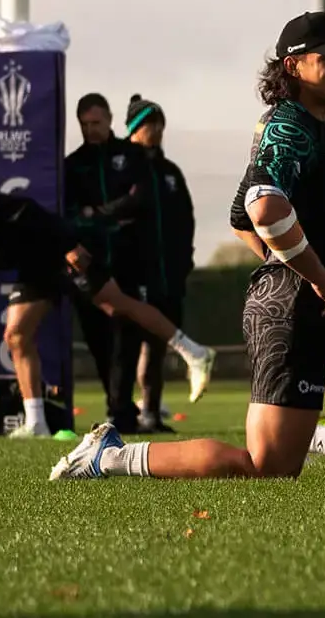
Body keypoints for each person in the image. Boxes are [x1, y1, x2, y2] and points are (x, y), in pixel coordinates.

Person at [49, 12, 325, 481]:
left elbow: (240, 214)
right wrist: (316, 274)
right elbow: (262, 208)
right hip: (292, 311)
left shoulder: (306, 127)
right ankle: (109, 456)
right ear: (293, 66)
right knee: (265, 468)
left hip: (318, 300)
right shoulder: (287, 129)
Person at [0, 184, 215, 440]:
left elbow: (30, 211)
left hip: (58, 251)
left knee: (118, 306)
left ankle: (195, 352)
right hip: (34, 270)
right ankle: (36, 422)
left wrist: (69, 244)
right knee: (16, 335)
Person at [65, 91, 153, 431]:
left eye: (96, 123)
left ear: (110, 120)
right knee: (98, 339)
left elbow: (139, 200)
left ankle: (121, 408)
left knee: (126, 336)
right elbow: (71, 213)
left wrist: (98, 213)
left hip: (128, 260)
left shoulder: (132, 156)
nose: (91, 130)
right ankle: (117, 405)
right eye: (85, 125)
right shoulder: (73, 164)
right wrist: (106, 216)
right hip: (89, 266)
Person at [115, 96, 196, 433]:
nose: (158, 131)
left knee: (158, 346)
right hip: (132, 278)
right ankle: (120, 412)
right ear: (135, 130)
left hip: (169, 278)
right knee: (128, 347)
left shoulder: (169, 172)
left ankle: (151, 411)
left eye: (161, 125)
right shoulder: (120, 168)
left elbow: (185, 218)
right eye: (151, 125)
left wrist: (184, 260)